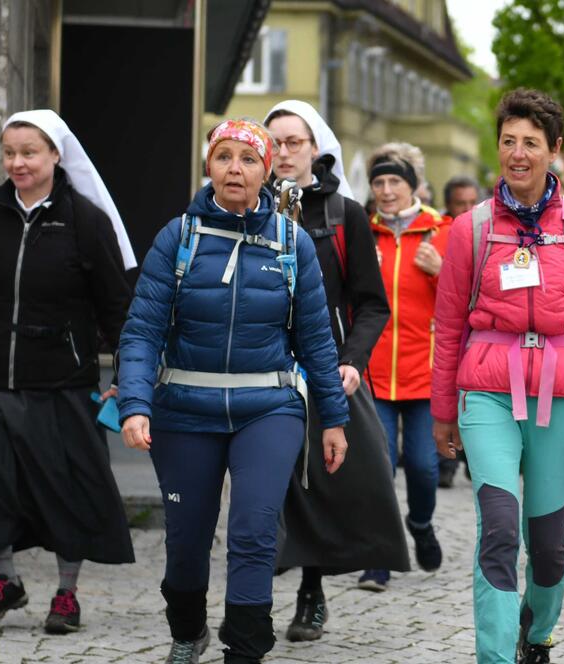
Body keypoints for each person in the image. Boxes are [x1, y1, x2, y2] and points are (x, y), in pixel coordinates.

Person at [116, 119, 350, 664]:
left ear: (267, 170)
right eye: (224, 157)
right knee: (187, 540)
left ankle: (244, 650)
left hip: (268, 408)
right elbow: (143, 330)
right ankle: (187, 629)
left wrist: (333, 419)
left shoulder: (292, 244)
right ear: (209, 167)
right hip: (184, 410)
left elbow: (316, 340)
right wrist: (134, 404)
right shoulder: (179, 237)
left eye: (247, 159)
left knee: (253, 529)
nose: (235, 169)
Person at [430, 87, 564, 664]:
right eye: (509, 142)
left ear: (555, 151)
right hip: (487, 390)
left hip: (560, 399)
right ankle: (494, 656)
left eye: (531, 144)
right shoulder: (472, 229)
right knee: (498, 526)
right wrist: (444, 411)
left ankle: (536, 636)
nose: (518, 154)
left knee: (548, 546)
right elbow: (448, 327)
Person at [0, 109, 135, 635]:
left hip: (60, 380)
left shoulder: (86, 221)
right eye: (10, 153)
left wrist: (130, 374)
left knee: (64, 488)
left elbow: (116, 308)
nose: (17, 163)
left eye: (29, 153)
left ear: (56, 156)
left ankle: (66, 595)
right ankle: (6, 581)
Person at [263, 101, 410, 643]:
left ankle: (311, 592)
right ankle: (253, 598)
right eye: (273, 141)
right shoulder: (243, 204)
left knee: (326, 483)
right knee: (267, 485)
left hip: (325, 369)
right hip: (257, 369)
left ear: (315, 148)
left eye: (292, 142)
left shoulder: (344, 214)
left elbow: (372, 304)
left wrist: (351, 361)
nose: (281, 152)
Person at [363, 141, 450, 591]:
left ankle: (420, 524)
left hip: (425, 372)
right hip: (374, 373)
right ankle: (377, 554)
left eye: (395, 181)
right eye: (378, 182)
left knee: (421, 464)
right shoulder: (363, 230)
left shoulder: (443, 230)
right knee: (379, 466)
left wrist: (442, 269)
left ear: (413, 186)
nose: (386, 189)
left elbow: (468, 299)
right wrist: (363, 267)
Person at [437, 175, 483, 488]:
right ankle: (448, 461)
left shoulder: (485, 232)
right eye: (459, 204)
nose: (466, 209)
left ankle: (471, 458)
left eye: (471, 203)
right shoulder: (441, 235)